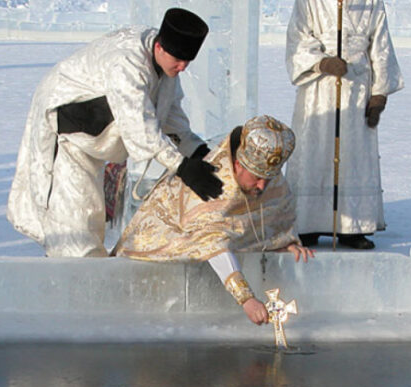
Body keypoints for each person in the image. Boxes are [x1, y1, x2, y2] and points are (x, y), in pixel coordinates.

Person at [7, 8, 223, 257]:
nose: (183, 67)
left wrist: (199, 153)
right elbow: (139, 126)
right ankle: (68, 286)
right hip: (67, 133)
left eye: (188, 61)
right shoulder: (127, 64)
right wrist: (182, 167)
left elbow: (171, 121)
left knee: (92, 220)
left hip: (95, 139)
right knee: (75, 231)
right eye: (179, 59)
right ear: (160, 48)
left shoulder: (168, 68)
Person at [113, 115, 314, 325]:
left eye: (268, 178)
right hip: (160, 252)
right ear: (238, 165)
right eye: (257, 177)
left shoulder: (266, 175)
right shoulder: (211, 184)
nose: (263, 186)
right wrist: (246, 299)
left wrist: (282, 242)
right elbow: (212, 243)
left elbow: (279, 210)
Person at [285, 0, 404, 249]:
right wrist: (321, 62)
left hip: (357, 86)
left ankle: (352, 227)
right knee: (314, 152)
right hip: (319, 89)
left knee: (354, 157)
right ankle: (308, 223)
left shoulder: (371, 2)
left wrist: (379, 93)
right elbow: (298, 36)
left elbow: (380, 45)